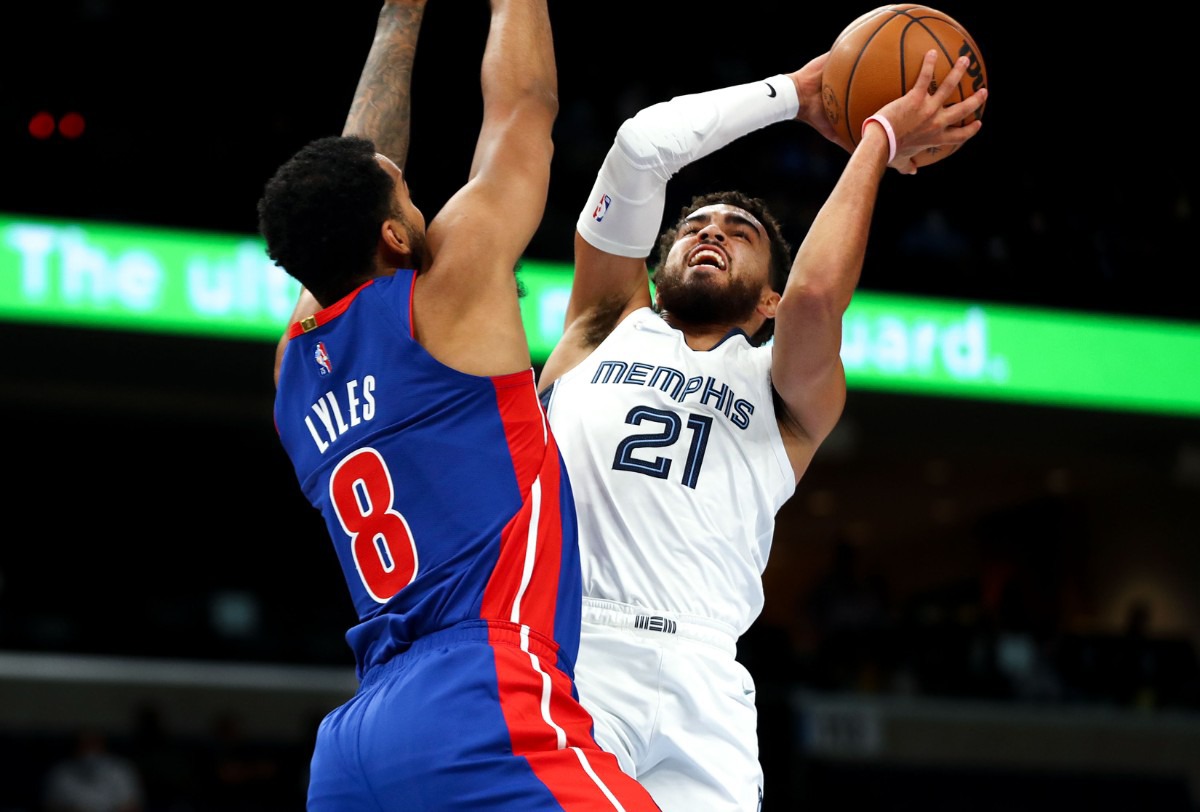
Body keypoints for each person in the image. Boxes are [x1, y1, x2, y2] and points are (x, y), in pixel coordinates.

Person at [537, 49, 987, 810]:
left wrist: (877, 136)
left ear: (765, 303)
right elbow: (641, 150)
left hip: (706, 678)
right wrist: (796, 94)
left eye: (737, 232)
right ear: (658, 264)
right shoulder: (604, 324)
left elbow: (817, 298)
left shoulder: (786, 390)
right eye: (694, 227)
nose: (709, 233)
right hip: (575, 649)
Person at [259, 1, 661, 809]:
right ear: (397, 239)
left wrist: (399, 15)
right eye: (404, 192)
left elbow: (357, 167)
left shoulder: (294, 359)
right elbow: (525, 110)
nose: (413, 188)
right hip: (483, 685)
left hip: (355, 744)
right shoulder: (449, 294)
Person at [41, 727, 145, 812]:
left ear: (102, 745)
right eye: (84, 745)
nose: (90, 751)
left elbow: (132, 806)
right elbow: (51, 806)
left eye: (93, 744)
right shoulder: (61, 773)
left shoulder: (121, 769)